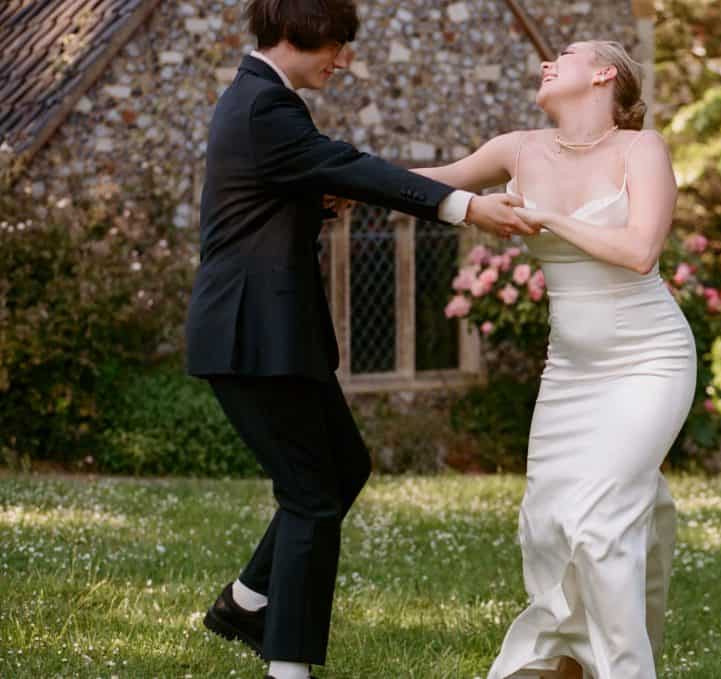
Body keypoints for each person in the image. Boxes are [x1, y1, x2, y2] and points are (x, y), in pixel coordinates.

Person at [183, 2, 535, 678]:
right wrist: (465, 207)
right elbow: (349, 164)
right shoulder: (264, 107)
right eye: (336, 47)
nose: (342, 61)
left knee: (343, 466)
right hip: (250, 336)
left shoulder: (261, 103)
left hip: (280, 333)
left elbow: (287, 188)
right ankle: (287, 663)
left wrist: (316, 198)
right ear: (294, 36)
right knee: (312, 492)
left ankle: (245, 601)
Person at [413, 41, 697, 678]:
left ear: (605, 74)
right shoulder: (518, 148)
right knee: (545, 523)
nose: (547, 62)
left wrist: (546, 216)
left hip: (649, 359)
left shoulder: (640, 150)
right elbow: (433, 182)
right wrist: (339, 177)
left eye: (565, 54)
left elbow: (640, 250)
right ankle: (570, 658)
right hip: (570, 369)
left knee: (600, 527)